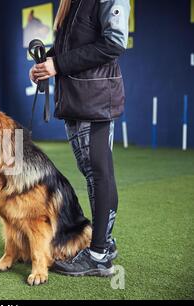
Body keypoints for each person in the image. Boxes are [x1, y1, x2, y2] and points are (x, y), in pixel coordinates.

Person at [29, 0, 130, 276]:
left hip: (96, 99)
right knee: (92, 173)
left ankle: (98, 254)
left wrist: (57, 64)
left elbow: (113, 44)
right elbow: (70, 45)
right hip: (74, 99)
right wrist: (45, 63)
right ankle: (104, 244)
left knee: (100, 174)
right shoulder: (70, 3)